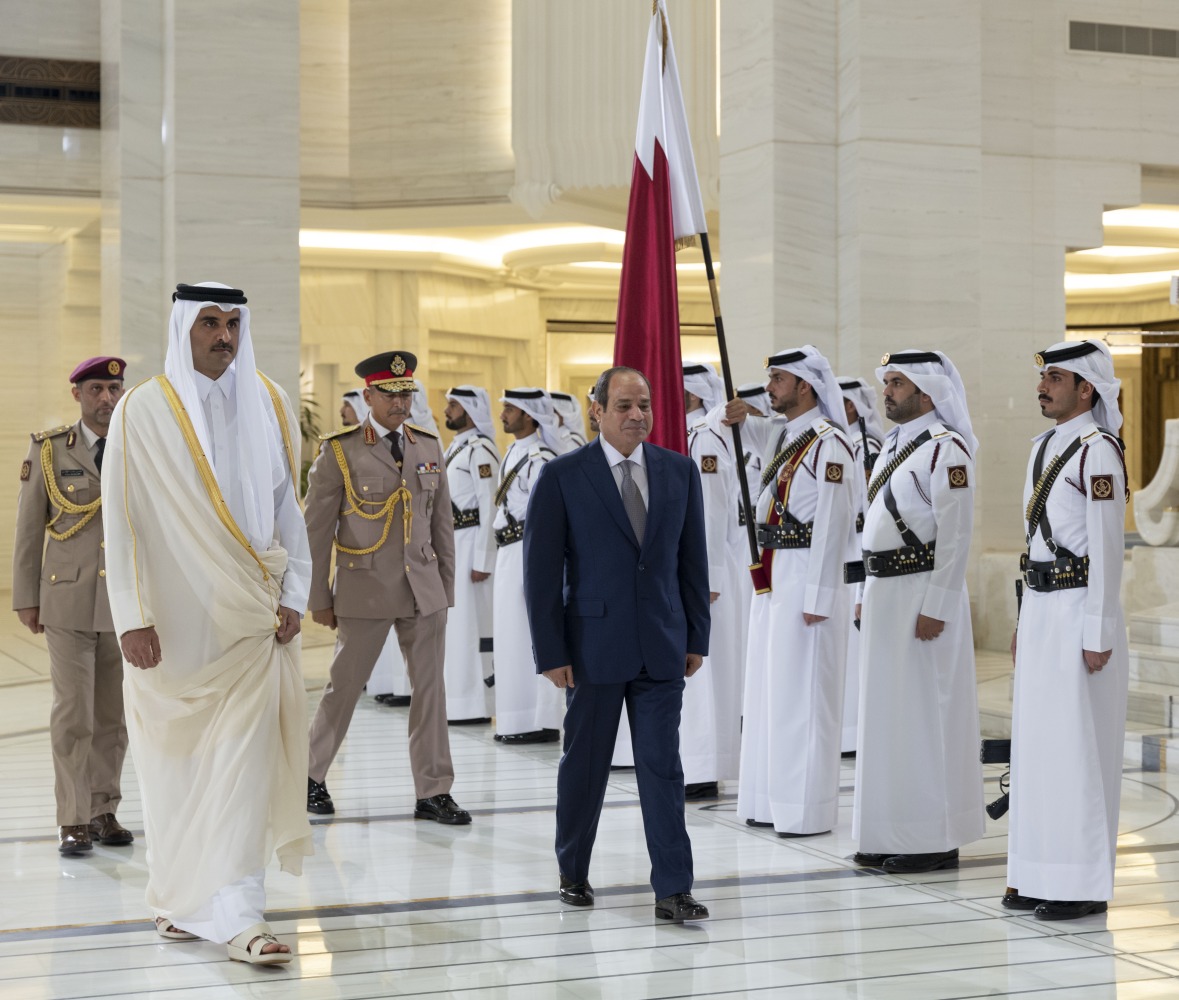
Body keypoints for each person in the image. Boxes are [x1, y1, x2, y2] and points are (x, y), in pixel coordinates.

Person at [103, 282, 312, 964]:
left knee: (244, 763)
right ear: (183, 328)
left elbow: (287, 509)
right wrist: (132, 616)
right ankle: (181, 901)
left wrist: (295, 591)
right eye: (209, 323)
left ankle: (240, 914)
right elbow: (122, 519)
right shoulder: (143, 410)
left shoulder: (271, 401)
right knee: (174, 767)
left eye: (232, 323)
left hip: (253, 617)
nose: (224, 336)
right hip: (173, 621)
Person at [523, 366, 712, 922]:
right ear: (598, 411)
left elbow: (692, 561)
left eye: (644, 405)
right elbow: (540, 573)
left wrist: (696, 635)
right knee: (585, 767)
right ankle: (572, 871)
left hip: (661, 646)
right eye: (625, 405)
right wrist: (551, 652)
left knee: (662, 767)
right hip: (590, 650)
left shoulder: (678, 471)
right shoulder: (563, 476)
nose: (637, 415)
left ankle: (673, 888)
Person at [304, 351, 470, 826]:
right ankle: (310, 776)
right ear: (368, 396)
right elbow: (316, 531)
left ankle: (434, 791)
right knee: (343, 688)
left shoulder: (428, 446)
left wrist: (445, 590)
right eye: (390, 394)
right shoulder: (340, 451)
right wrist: (319, 598)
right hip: (365, 589)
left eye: (406, 393)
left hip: (423, 590)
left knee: (430, 693)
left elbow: (442, 525)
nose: (400, 403)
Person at [1004, 340, 1129, 920]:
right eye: (1043, 377)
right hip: (1041, 608)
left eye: (1055, 378)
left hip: (1080, 609)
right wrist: (1023, 618)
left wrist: (1099, 629)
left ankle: (1079, 884)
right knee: (1038, 747)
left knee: (1077, 749)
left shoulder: (1098, 450)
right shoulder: (1043, 447)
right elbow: (1034, 543)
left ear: (1086, 389)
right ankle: (1036, 873)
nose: (1043, 387)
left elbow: (1106, 547)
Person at [851, 350, 985, 873]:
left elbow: (957, 533)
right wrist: (863, 590)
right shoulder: (893, 444)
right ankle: (889, 829)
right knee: (888, 719)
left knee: (926, 717)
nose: (886, 392)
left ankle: (934, 838)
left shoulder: (946, 448)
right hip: (884, 591)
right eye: (886, 382)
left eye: (897, 383)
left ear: (928, 392)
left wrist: (939, 604)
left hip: (921, 593)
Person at [723, 347, 856, 837]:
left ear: (805, 385)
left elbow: (834, 524)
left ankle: (803, 809)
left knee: (802, 695)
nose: (769, 388)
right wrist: (738, 414)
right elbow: (747, 430)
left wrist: (819, 596)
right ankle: (767, 799)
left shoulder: (830, 443)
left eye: (777, 379)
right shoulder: (786, 434)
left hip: (805, 576)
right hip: (774, 570)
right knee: (770, 691)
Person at [13, 357, 132, 856]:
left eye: (114, 388)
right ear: (77, 394)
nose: (107, 398)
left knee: (112, 716)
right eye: (97, 389)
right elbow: (28, 528)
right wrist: (27, 597)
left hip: (123, 603)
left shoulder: (136, 446)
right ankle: (73, 818)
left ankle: (104, 810)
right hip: (66, 600)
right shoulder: (49, 450)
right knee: (73, 713)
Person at [492, 388, 564, 744]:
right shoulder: (513, 451)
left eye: (510, 409)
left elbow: (547, 516)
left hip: (529, 551)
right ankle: (515, 719)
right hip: (508, 551)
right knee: (510, 637)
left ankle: (541, 721)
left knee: (530, 635)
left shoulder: (541, 458)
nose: (503, 415)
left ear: (529, 415)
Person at [340, 388, 411, 706]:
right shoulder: (343, 448)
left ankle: (399, 686)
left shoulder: (420, 445)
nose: (343, 412)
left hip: (409, 565)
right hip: (363, 565)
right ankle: (383, 683)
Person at [442, 386, 501, 723]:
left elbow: (489, 506)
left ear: (469, 409)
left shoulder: (481, 451)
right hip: (454, 545)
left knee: (471, 627)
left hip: (471, 549)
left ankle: (476, 705)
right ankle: (457, 701)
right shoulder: (456, 448)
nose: (447, 411)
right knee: (456, 628)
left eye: (453, 405)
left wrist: (483, 560)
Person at [837, 376, 884, 757]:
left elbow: (869, 511)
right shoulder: (844, 442)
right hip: (846, 546)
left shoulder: (866, 446)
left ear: (852, 406)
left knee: (854, 650)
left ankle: (854, 734)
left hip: (859, 545)